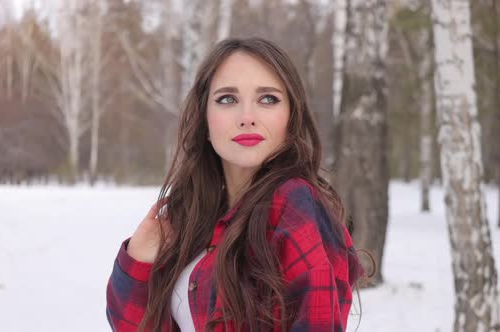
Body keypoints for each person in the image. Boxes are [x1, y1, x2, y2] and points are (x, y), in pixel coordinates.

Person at [106, 37, 365, 332]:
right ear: (204, 120)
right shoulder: (197, 219)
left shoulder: (296, 205)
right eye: (227, 99)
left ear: (291, 118)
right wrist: (139, 259)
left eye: (268, 99)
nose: (247, 118)